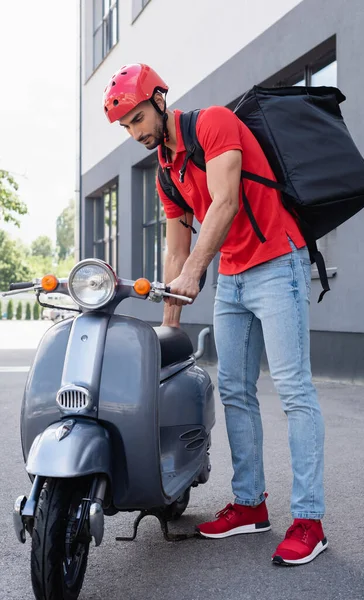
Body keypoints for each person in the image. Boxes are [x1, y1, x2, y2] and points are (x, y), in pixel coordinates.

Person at [103, 63, 327, 566]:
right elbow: (176, 248)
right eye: (126, 127)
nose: (135, 133)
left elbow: (225, 203)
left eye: (138, 118)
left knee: (293, 390)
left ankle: (310, 520)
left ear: (160, 101)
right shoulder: (166, 170)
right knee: (234, 391)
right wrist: (171, 319)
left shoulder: (214, 124)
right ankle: (251, 505)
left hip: (277, 263)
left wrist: (195, 275)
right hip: (234, 275)